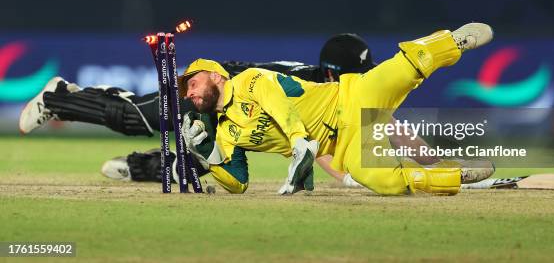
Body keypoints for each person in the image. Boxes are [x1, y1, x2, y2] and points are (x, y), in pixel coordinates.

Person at [18, 34, 376, 187]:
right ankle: (60, 97)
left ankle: (139, 166)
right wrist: (348, 177)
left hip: (231, 114)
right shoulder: (312, 87)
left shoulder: (336, 92)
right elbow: (317, 143)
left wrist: (431, 163)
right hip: (214, 89)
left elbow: (384, 129)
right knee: (139, 117)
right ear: (334, 73)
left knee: (210, 159)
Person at [177, 23, 494, 195]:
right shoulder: (225, 133)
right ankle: (451, 176)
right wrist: (208, 154)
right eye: (185, 89)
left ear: (216, 74)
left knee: (405, 67)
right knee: (382, 181)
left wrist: (300, 143)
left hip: (352, 95)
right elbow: (238, 185)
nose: (188, 92)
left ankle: (453, 41)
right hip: (344, 143)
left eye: (192, 82)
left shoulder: (249, 79)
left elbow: (281, 110)